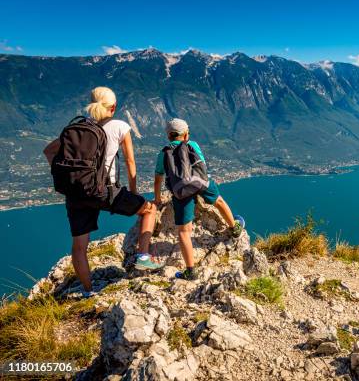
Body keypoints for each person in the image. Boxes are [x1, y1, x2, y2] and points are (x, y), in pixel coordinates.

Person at [44, 87, 162, 297]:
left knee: (79, 246)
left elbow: (49, 151)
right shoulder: (119, 126)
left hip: (77, 193)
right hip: (105, 192)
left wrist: (65, 177)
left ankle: (89, 291)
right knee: (150, 210)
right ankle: (143, 256)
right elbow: (130, 162)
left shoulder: (79, 128)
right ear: (113, 107)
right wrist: (134, 195)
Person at [154, 118, 243, 280]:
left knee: (183, 231)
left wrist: (158, 198)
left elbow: (158, 177)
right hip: (201, 183)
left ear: (168, 136)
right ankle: (234, 228)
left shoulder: (163, 153)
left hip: (181, 191)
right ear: (186, 134)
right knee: (219, 201)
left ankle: (190, 270)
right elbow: (202, 166)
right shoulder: (192, 145)